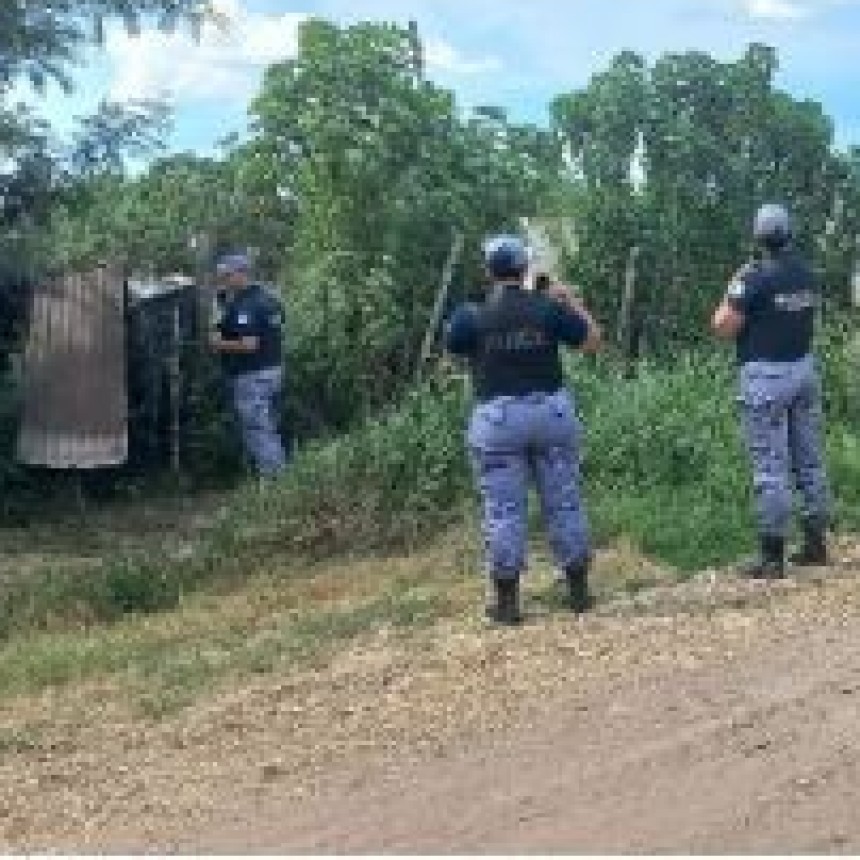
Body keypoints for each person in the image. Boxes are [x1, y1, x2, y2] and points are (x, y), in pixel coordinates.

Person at [444, 235, 602, 624]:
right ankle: (579, 591)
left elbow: (453, 349)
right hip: (551, 415)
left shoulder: (471, 315)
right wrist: (567, 300)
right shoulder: (547, 309)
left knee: (504, 510)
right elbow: (593, 341)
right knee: (563, 500)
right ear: (525, 268)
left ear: (488, 271)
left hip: (498, 420)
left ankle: (508, 602)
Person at [711, 203, 831, 578]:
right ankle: (815, 543)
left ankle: (772, 555)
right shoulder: (806, 273)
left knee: (770, 465)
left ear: (757, 237)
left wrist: (731, 288)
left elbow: (723, 327)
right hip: (804, 370)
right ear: (789, 233)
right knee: (809, 458)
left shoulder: (753, 277)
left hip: (767, 377)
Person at [209, 252, 288, 478]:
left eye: (226, 275)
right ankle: (278, 479)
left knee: (258, 429)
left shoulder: (247, 306)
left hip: (253, 375)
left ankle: (275, 481)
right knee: (269, 425)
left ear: (241, 274)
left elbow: (249, 344)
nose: (222, 280)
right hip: (273, 370)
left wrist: (218, 343)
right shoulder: (270, 298)